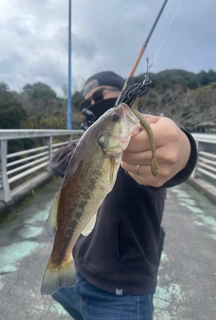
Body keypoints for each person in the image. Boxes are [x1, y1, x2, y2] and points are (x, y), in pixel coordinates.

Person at [49, 71, 197, 320]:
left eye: (98, 95)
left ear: (122, 93)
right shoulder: (92, 142)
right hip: (78, 275)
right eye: (87, 103)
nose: (93, 104)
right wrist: (89, 139)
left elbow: (171, 150)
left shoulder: (140, 135)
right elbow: (57, 162)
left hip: (123, 294)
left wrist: (185, 151)